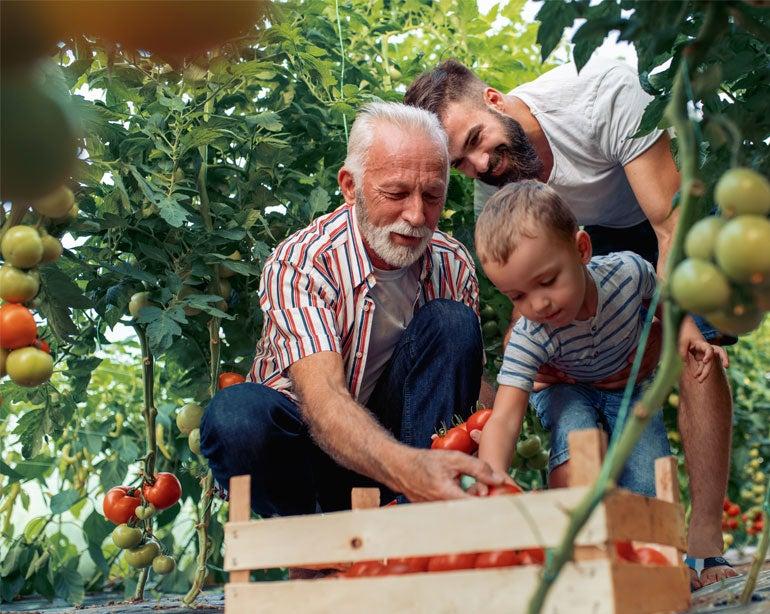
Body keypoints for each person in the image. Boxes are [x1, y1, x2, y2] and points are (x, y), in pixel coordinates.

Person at [405, 58, 736, 588]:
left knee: (697, 349)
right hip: (580, 240)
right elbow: (525, 300)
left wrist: (671, 334)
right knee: (561, 358)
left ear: (493, 99)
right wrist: (508, 394)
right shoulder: (499, 185)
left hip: (665, 211)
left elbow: (668, 228)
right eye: (461, 163)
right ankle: (610, 553)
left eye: (476, 140)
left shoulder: (601, 96)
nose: (481, 164)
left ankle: (705, 543)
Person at [200, 102, 504, 523]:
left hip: (403, 460)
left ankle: (422, 526)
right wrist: (410, 467)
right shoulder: (304, 261)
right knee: (235, 416)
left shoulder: (451, 262)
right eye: (396, 194)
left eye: (432, 195)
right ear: (350, 186)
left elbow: (462, 388)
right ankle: (308, 548)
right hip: (310, 459)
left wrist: (512, 399)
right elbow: (324, 403)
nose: (416, 215)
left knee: (453, 323)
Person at [473, 180, 722, 500]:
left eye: (547, 281)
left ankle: (650, 545)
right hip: (565, 390)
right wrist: (491, 477)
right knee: (578, 446)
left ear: (581, 250)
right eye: (518, 296)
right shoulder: (530, 336)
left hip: (627, 387)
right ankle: (574, 528)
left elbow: (665, 302)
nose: (538, 305)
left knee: (648, 485)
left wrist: (690, 335)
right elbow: (505, 418)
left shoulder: (628, 273)